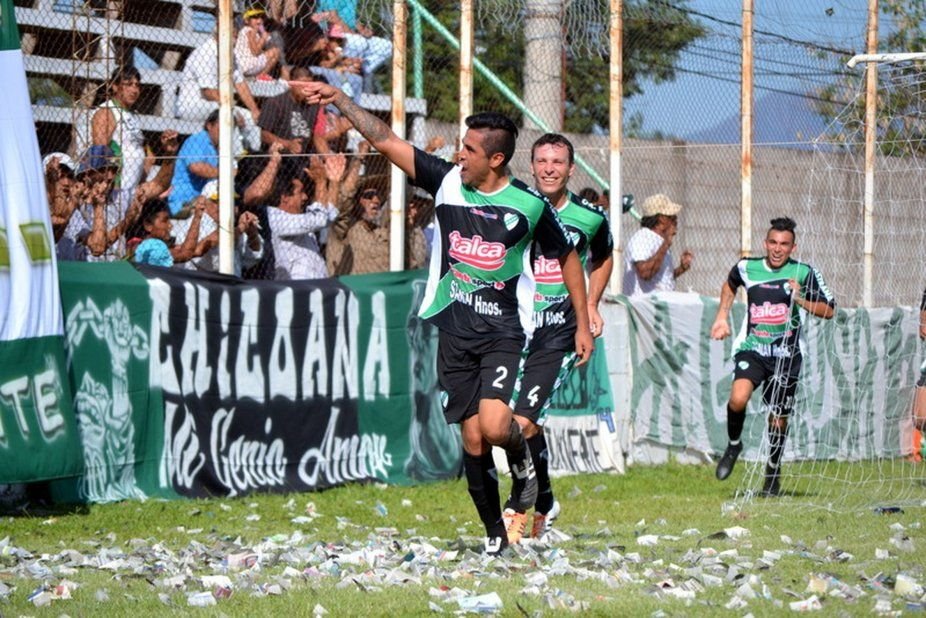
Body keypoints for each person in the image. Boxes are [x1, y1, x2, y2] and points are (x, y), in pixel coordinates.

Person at [297, 80, 593, 555]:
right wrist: (340, 101)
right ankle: (495, 532)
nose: (459, 155)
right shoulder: (447, 181)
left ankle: (523, 475)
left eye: (470, 149)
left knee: (498, 427)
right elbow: (386, 140)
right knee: (473, 440)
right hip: (455, 331)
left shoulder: (529, 205)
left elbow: (570, 258)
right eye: (460, 146)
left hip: (503, 331)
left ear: (495, 159)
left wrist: (582, 321)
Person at [506, 133, 614, 543]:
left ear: (572, 169)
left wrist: (590, 303)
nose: (550, 168)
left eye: (558, 162)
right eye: (542, 161)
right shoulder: (516, 206)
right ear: (531, 167)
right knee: (516, 426)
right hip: (515, 328)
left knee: (522, 420)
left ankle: (518, 504)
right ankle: (547, 502)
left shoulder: (590, 218)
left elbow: (603, 257)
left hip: (560, 331)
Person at [710, 217, 836, 497]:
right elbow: (730, 285)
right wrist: (721, 317)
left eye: (784, 244)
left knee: (777, 419)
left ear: (793, 247)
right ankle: (733, 445)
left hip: (787, 355)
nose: (778, 249)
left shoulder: (803, 272)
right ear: (765, 243)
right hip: (753, 349)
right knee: (738, 398)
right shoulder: (747, 267)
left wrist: (800, 298)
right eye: (773, 243)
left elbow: (829, 310)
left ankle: (772, 471)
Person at [621, 193, 693, 297]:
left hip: (657, 305)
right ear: (661, 219)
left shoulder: (659, 240)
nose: (676, 220)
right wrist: (665, 244)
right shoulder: (643, 237)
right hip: (644, 307)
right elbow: (645, 273)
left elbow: (662, 278)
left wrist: (681, 269)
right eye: (672, 217)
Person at [258, 67, 330, 156]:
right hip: (277, 155)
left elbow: (318, 137)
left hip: (302, 158)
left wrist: (328, 158)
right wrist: (287, 144)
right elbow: (263, 134)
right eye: (303, 85)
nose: (307, 89)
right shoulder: (276, 103)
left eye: (310, 85)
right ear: (292, 83)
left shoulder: (314, 106)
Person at [326, 184, 389, 276]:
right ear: (357, 201)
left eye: (379, 196)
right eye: (369, 196)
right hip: (352, 287)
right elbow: (342, 207)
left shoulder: (383, 232)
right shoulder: (347, 228)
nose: (376, 201)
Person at [168, 110, 220, 216]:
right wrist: (226, 173)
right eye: (222, 128)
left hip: (201, 199)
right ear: (209, 125)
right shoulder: (198, 139)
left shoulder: (216, 147)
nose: (226, 132)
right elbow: (196, 167)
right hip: (183, 202)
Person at [235, 6, 282, 79]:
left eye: (261, 17)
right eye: (255, 18)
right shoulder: (250, 31)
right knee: (276, 51)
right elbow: (255, 52)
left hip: (243, 65)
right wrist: (263, 37)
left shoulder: (249, 31)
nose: (259, 20)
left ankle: (258, 76)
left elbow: (255, 50)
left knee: (269, 52)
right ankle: (261, 76)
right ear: (247, 21)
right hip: (247, 65)